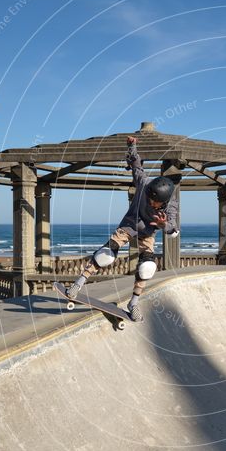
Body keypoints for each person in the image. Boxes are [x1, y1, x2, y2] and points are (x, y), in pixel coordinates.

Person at [66, 135, 179, 321]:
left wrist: (163, 225)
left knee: (147, 267)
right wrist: (132, 146)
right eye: (150, 198)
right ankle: (78, 283)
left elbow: (174, 231)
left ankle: (133, 303)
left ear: (164, 201)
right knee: (106, 255)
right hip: (129, 224)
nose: (150, 202)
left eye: (154, 202)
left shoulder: (171, 206)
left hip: (147, 233)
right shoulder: (144, 184)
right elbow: (136, 166)